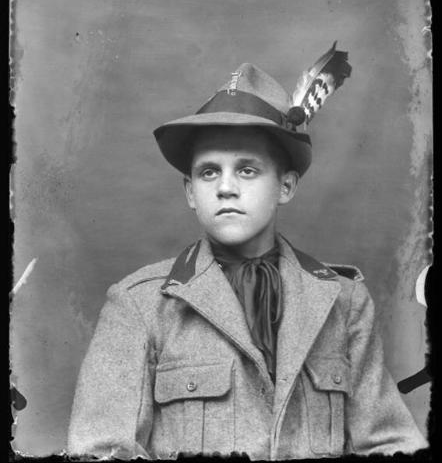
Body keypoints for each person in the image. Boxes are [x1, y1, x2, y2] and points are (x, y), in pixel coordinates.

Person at [68, 48, 427, 459]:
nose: (225, 187)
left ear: (286, 186)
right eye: (208, 172)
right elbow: (100, 451)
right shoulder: (139, 306)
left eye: (247, 170)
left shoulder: (344, 303)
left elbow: (389, 443)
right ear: (190, 192)